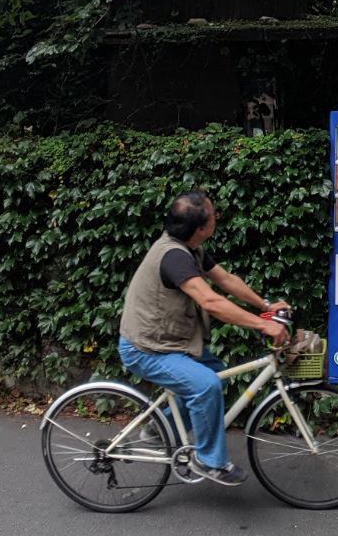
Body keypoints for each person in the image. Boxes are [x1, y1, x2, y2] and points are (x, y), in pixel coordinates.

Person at [118, 191, 290, 486]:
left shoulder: (191, 248)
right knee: (206, 385)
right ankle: (209, 461)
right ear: (201, 228)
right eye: (214, 215)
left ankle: (160, 430)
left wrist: (265, 306)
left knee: (218, 375)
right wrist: (264, 327)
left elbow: (226, 280)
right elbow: (211, 302)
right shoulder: (173, 257)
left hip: (173, 342)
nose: (217, 218)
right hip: (146, 348)